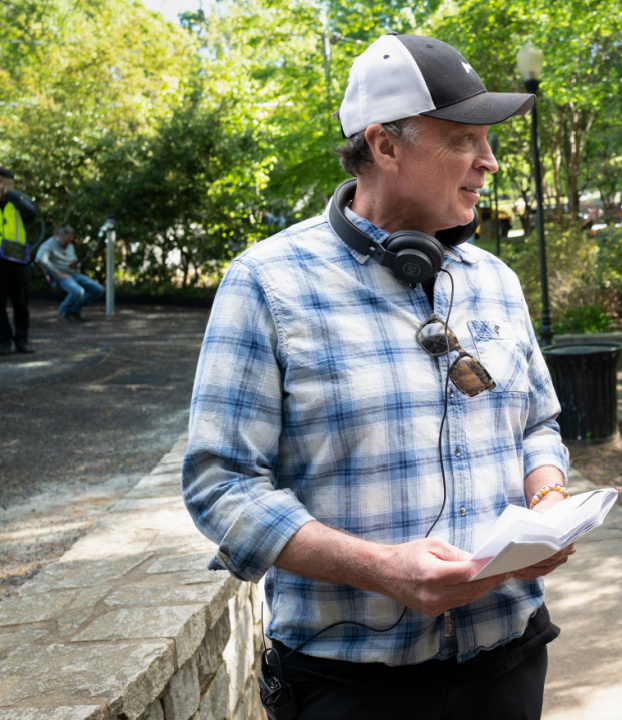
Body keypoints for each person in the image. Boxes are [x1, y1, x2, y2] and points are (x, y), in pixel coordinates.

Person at [182, 35, 571, 720]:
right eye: (464, 140)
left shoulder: (497, 282)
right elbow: (221, 487)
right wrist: (380, 569)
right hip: (351, 688)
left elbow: (537, 422)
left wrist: (549, 499)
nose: (490, 161)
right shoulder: (266, 283)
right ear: (385, 147)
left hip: (510, 658)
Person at [0, 167, 37, 354]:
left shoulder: (19, 201)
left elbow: (31, 214)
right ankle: (3, 340)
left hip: (17, 260)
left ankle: (22, 339)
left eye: (4, 181)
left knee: (20, 302)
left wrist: (12, 194)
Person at [36, 225, 103, 322]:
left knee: (98, 289)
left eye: (70, 240)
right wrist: (57, 273)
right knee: (78, 291)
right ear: (59, 236)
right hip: (60, 276)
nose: (69, 242)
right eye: (67, 240)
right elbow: (40, 259)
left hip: (73, 274)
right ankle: (63, 310)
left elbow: (74, 259)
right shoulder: (48, 245)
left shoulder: (70, 246)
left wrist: (76, 264)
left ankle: (74, 310)